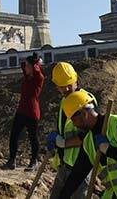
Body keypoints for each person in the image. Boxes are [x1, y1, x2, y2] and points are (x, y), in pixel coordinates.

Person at [45, 62, 90, 198]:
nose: (66, 89)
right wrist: (56, 138)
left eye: (69, 85)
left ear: (76, 79)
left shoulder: (85, 101)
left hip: (81, 166)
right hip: (65, 165)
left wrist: (63, 143)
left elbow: (88, 137)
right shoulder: (65, 101)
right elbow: (65, 129)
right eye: (62, 87)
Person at [2, 53, 45, 170]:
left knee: (33, 137)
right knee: (14, 136)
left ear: (33, 67)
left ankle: (34, 161)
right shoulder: (27, 77)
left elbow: (37, 71)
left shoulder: (39, 78)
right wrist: (30, 61)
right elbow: (22, 65)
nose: (25, 67)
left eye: (27, 65)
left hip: (32, 112)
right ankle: (11, 161)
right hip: (21, 111)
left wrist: (36, 62)